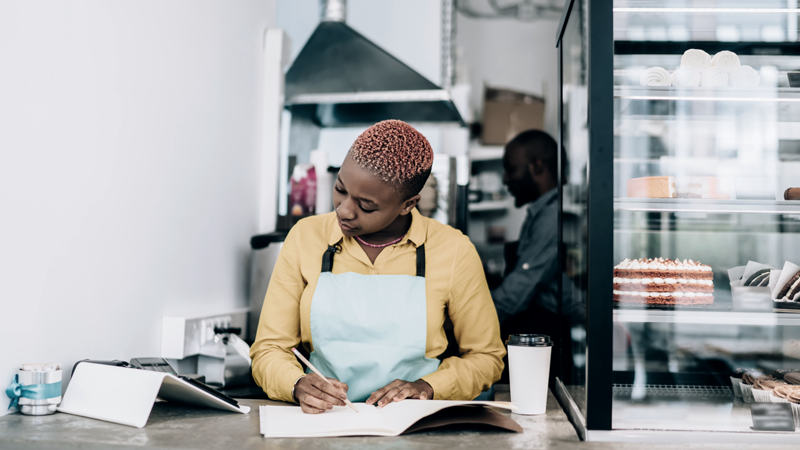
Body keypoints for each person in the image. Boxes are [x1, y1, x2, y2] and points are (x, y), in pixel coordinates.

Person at [250, 120, 505, 414]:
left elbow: (487, 357)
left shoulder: (454, 251)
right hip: (324, 421)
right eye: (340, 189)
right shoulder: (305, 238)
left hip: (412, 425)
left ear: (408, 204)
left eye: (366, 206)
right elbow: (268, 350)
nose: (343, 210)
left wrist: (427, 387)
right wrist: (296, 384)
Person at [491, 129, 560, 336]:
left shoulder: (552, 217)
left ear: (536, 166)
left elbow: (519, 289)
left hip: (543, 333)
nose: (505, 179)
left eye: (511, 169)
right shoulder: (539, 213)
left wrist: (467, 320)